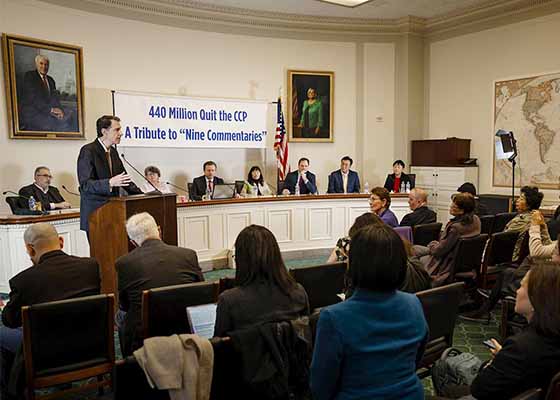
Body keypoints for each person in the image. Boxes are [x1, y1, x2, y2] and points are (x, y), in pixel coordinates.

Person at [310, 224, 428, 400]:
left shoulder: (333, 318)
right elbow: (417, 357)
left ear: (354, 264)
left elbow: (320, 386)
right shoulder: (413, 303)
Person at [0, 223, 100, 381]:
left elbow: (10, 321)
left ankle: (11, 391)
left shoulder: (23, 281)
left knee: (2, 334)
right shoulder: (91, 267)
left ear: (30, 249)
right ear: (61, 241)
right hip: (90, 346)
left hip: (45, 355)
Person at [115, 212, 203, 356]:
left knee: (120, 315)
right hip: (184, 325)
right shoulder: (188, 255)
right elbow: (202, 292)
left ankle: (128, 363)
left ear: (133, 243)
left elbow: (124, 305)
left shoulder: (125, 263)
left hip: (147, 333)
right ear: (159, 230)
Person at [469, 262, 560, 399]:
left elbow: (478, 389)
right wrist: (506, 358)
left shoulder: (520, 346)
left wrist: (495, 362)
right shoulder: (551, 335)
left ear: (535, 299)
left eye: (522, 286)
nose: (516, 291)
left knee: (444, 371)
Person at [460, 210, 558, 323]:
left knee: (510, 273)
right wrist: (543, 227)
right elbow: (549, 247)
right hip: (547, 272)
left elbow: (536, 251)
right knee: (508, 272)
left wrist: (535, 226)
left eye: (521, 198)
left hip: (550, 280)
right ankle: (493, 301)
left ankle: (492, 302)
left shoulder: (521, 220)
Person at [214, 225, 309, 336]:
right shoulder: (298, 292)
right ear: (276, 256)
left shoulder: (229, 301)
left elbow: (219, 347)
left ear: (242, 260)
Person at [77, 115, 142, 234]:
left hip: (114, 214)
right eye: (117, 130)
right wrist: (110, 183)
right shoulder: (88, 151)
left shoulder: (113, 152)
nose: (121, 133)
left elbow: (124, 180)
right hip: (96, 216)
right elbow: (86, 185)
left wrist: (144, 196)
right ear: (104, 132)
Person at [415, 193, 481, 286]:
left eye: (454, 206)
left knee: (414, 250)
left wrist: (432, 245)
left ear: (462, 210)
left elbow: (439, 251)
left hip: (446, 262)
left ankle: (417, 284)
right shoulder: (476, 220)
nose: (450, 206)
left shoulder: (455, 228)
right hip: (464, 262)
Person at [19, 54, 76, 132]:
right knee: (53, 124)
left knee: (71, 117)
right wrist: (51, 110)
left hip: (48, 112)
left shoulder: (50, 80)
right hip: (34, 113)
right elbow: (34, 99)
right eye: (41, 64)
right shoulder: (30, 76)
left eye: (46, 64)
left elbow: (55, 99)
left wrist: (60, 111)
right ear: (36, 64)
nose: (44, 67)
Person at [504, 186, 547, 261]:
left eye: (521, 199)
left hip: (511, 257)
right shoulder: (537, 217)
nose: (517, 201)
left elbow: (503, 239)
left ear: (529, 204)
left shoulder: (520, 221)